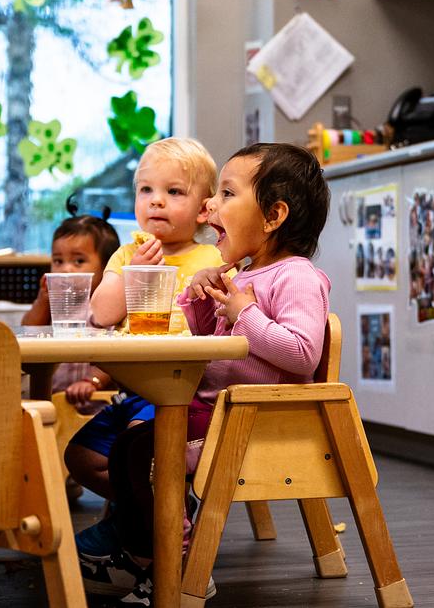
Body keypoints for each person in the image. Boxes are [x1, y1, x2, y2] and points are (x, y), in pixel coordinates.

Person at [79, 142, 331, 603]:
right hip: (214, 411)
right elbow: (208, 345)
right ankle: (146, 558)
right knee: (129, 448)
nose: (212, 204)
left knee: (145, 455)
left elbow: (302, 353)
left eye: (228, 194)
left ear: (273, 216)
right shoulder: (243, 272)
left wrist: (243, 313)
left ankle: (174, 564)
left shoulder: (296, 276)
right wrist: (199, 302)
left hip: (252, 423)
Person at [65, 137, 222, 515]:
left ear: (203, 210)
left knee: (135, 444)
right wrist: (136, 272)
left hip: (182, 391)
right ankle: (154, 513)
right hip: (133, 387)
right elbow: (101, 315)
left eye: (173, 191)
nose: (156, 200)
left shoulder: (213, 256)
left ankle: (154, 524)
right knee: (80, 457)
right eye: (146, 190)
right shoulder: (127, 252)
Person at [21, 204, 120, 404]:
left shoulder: (108, 308)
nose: (65, 269)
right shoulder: (55, 303)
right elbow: (29, 331)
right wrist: (42, 301)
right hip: (51, 397)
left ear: (107, 266)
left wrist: (93, 381)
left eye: (78, 261)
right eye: (58, 261)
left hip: (94, 400)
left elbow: (117, 352)